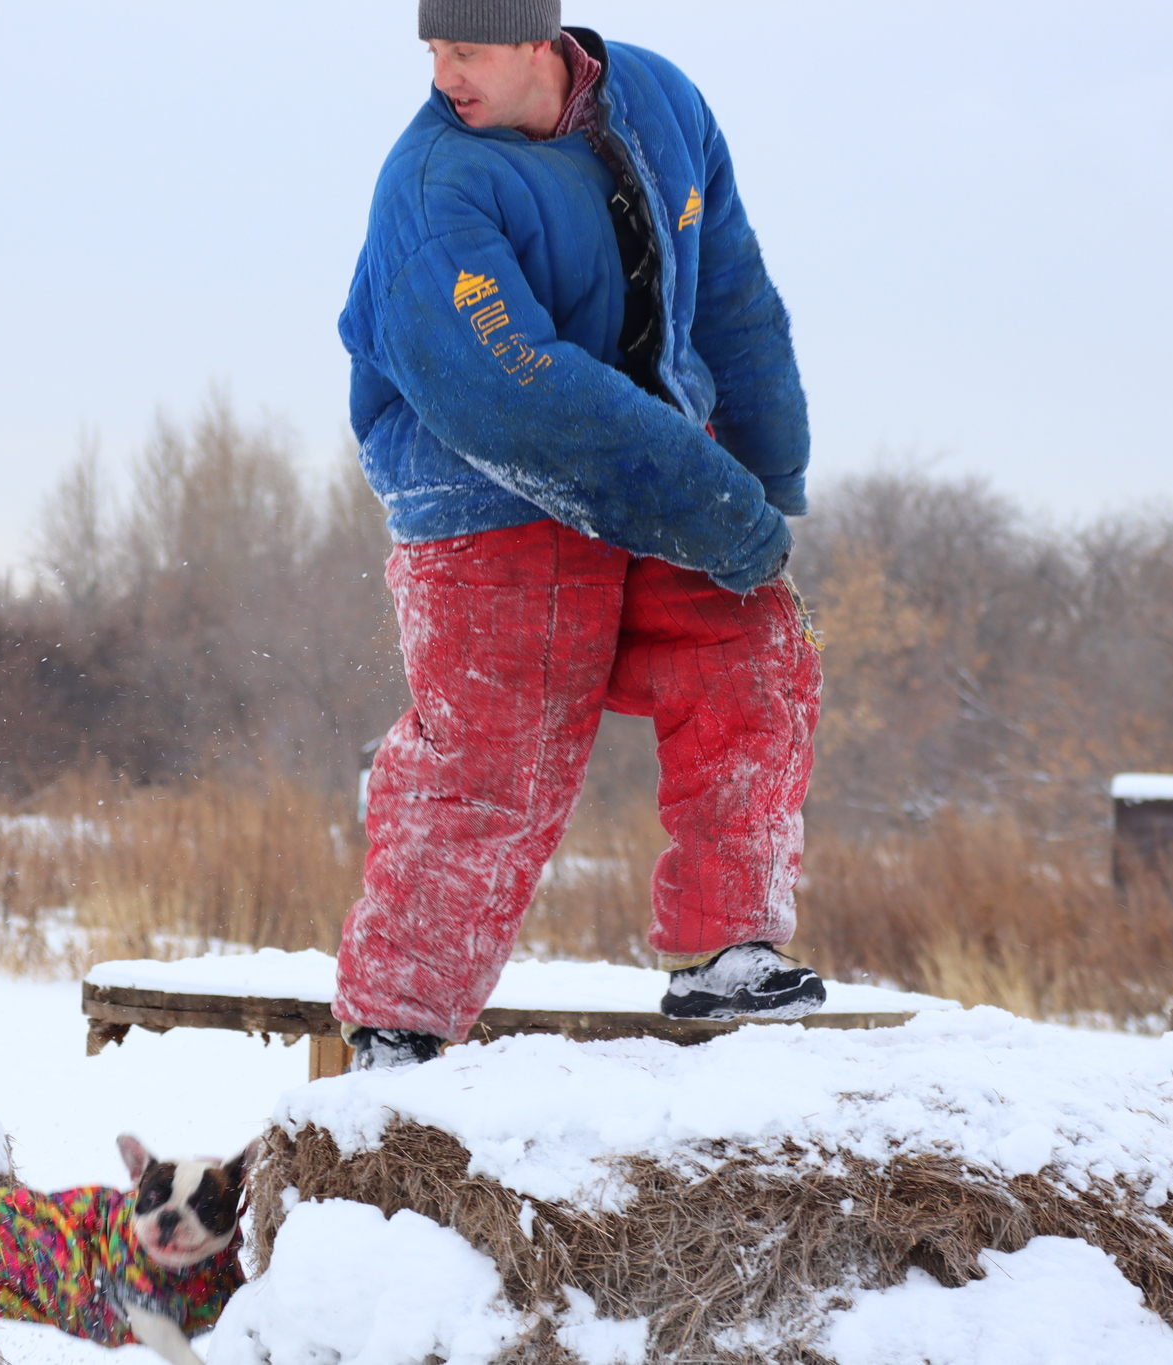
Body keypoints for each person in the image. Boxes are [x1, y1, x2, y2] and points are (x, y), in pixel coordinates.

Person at [333, 0, 825, 1071]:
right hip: (488, 490)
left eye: (463, 48)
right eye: (430, 48)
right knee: (492, 757)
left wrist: (765, 476)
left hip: (659, 457)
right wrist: (715, 509)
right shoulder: (431, 187)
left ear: (535, 38)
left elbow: (732, 293)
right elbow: (518, 402)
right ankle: (400, 1025)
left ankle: (727, 947)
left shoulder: (659, 101)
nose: (441, 73)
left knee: (751, 655)